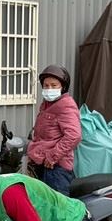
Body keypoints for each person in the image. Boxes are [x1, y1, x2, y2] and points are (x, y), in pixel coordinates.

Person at [27, 64, 81, 195]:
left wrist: (52, 156)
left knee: (57, 211)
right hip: (44, 165)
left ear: (62, 87)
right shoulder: (46, 104)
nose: (49, 88)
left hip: (56, 169)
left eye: (53, 85)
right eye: (46, 85)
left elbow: (74, 136)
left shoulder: (65, 105)